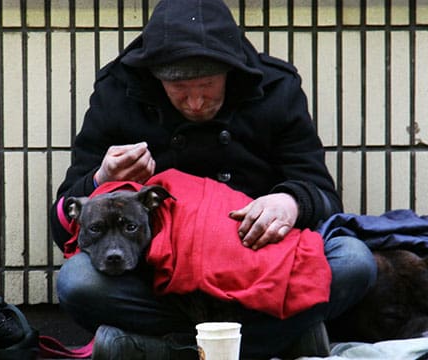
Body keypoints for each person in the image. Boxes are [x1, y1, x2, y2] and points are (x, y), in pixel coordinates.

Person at [49, 0, 377, 358]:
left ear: (230, 71)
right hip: (157, 275)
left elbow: (322, 193)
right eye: (178, 89)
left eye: (207, 85)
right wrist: (101, 178)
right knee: (77, 282)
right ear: (156, 78)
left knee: (355, 260)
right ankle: (278, 339)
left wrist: (289, 202)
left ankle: (158, 349)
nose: (194, 102)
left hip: (257, 264)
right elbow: (63, 218)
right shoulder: (119, 91)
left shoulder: (276, 87)